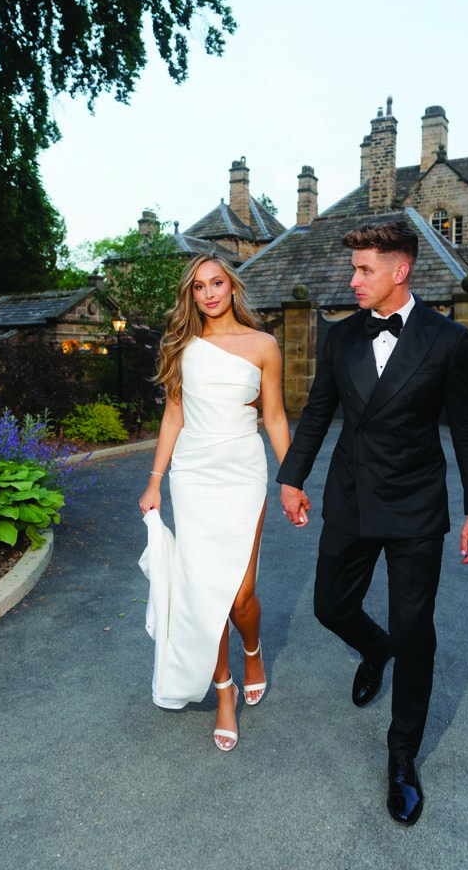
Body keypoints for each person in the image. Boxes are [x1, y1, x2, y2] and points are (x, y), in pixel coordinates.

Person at [278, 220, 468, 825]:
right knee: (329, 606)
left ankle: (402, 757)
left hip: (415, 505)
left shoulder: (447, 339)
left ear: (401, 271)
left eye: (364, 269)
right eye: (353, 268)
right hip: (349, 496)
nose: (353, 280)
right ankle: (376, 650)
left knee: (415, 627)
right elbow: (319, 409)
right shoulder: (341, 336)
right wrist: (293, 478)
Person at [139, 252, 291, 752]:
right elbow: (173, 419)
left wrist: (292, 479)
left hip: (243, 474)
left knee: (241, 595)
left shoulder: (265, 345)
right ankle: (223, 691)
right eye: (199, 286)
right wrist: (154, 480)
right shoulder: (182, 347)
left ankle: (253, 648)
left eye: (217, 283)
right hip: (193, 477)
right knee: (207, 596)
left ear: (231, 287)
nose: (208, 293)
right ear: (192, 294)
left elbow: (272, 417)